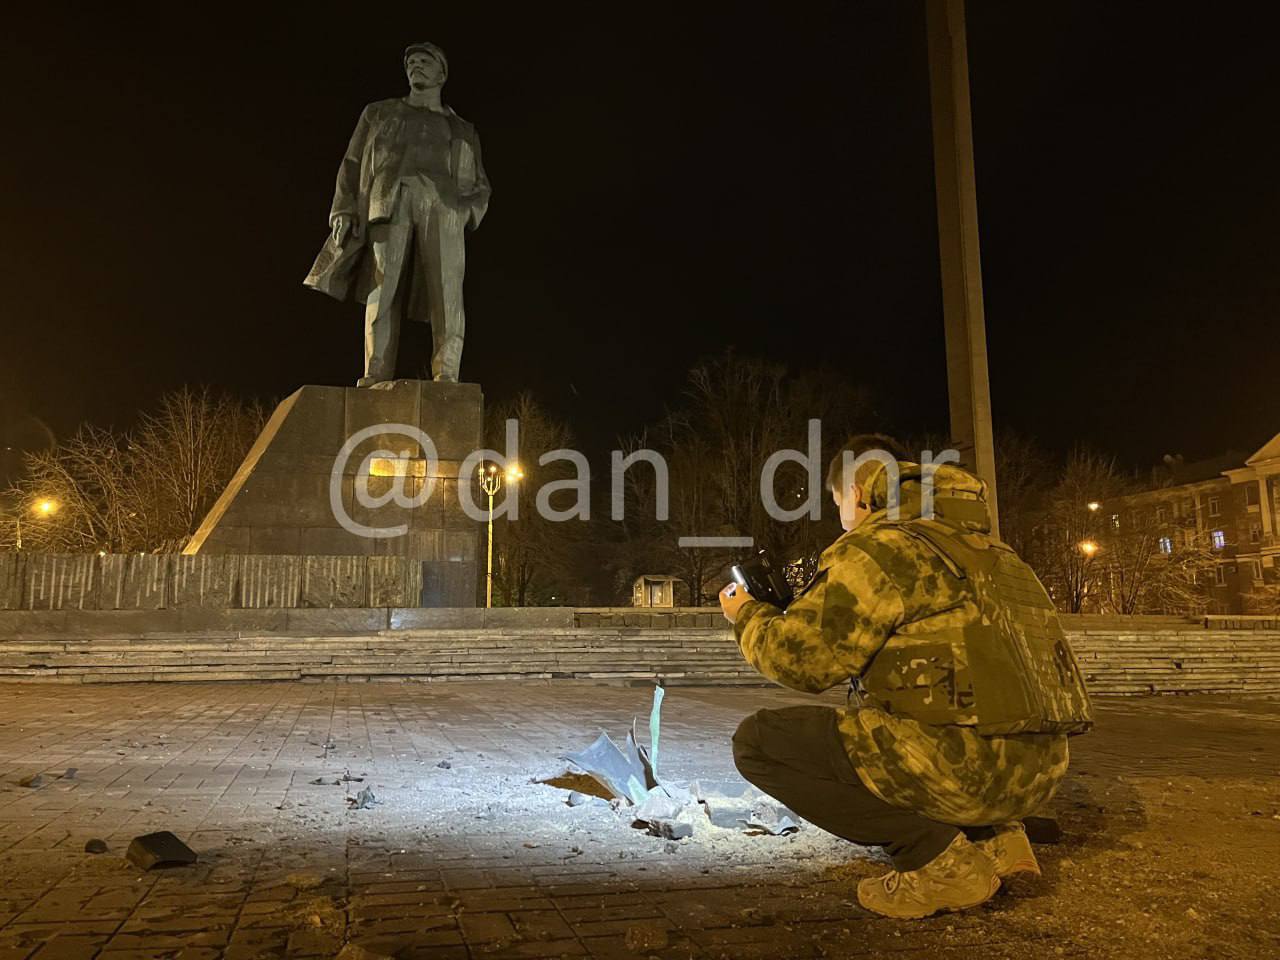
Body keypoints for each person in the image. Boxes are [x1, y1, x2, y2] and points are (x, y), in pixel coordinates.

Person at [719, 435, 1093, 919]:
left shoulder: (878, 546)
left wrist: (747, 614)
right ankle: (1000, 840)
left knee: (759, 742)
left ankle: (936, 862)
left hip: (965, 774)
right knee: (929, 718)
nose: (841, 516)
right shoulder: (992, 550)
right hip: (1037, 777)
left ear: (856, 492)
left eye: (837, 503)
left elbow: (803, 662)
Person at [304, 42, 491, 385]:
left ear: (442, 73)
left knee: (447, 293)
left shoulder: (461, 128)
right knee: (382, 286)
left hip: (443, 207)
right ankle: (375, 371)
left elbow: (479, 183)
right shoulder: (378, 113)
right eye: (411, 62)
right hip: (390, 201)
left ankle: (446, 373)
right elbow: (353, 162)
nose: (416, 65)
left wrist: (466, 211)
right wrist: (343, 208)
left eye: (425, 61)